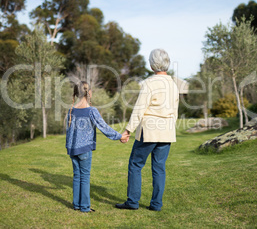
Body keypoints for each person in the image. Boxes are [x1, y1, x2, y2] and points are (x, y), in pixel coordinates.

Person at [115, 48, 179, 211]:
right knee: (159, 168)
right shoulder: (173, 84)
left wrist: (128, 130)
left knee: (136, 164)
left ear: (152, 65)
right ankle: (156, 204)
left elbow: (139, 109)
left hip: (149, 131)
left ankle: (132, 202)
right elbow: (175, 111)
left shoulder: (149, 83)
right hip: (166, 132)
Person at [66, 81, 129, 213]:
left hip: (72, 149)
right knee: (84, 177)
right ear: (89, 93)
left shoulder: (71, 110)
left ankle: (76, 205)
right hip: (84, 149)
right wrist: (120, 136)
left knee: (77, 176)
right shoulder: (91, 111)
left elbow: (69, 130)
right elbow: (103, 127)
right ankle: (84, 207)